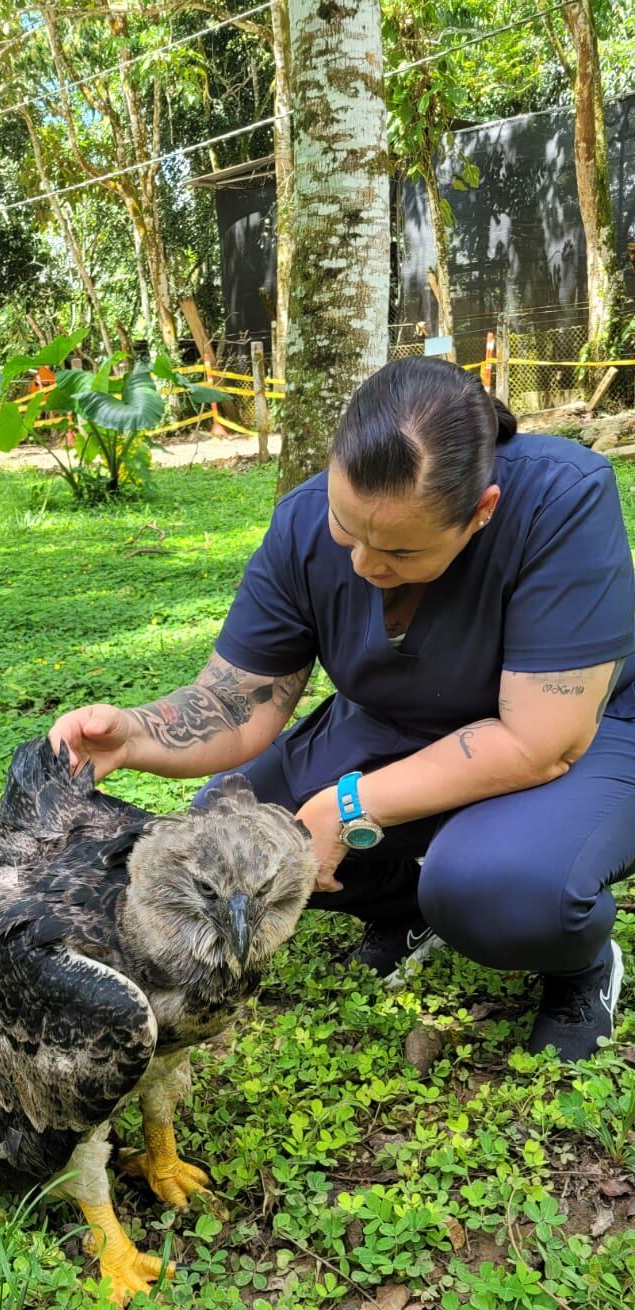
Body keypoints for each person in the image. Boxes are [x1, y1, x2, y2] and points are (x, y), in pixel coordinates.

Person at [50, 357, 635, 1061]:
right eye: (346, 528)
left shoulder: (560, 500)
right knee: (235, 837)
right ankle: (406, 907)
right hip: (396, 727)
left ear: (481, 512)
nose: (363, 565)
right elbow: (237, 698)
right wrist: (134, 733)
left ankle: (579, 965)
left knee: (491, 885)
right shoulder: (302, 523)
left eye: (400, 551)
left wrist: (346, 806)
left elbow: (542, 743)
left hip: (587, 738)